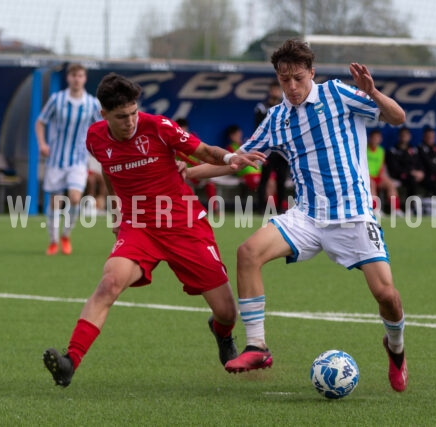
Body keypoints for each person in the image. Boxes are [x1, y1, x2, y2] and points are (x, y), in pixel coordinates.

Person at [187, 39, 409, 392]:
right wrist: (182, 174)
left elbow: (398, 118)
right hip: (306, 216)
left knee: (387, 296)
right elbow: (235, 160)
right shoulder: (277, 118)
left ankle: (396, 350)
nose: (291, 86)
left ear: (312, 74)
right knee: (248, 252)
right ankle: (257, 346)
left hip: (353, 215)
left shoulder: (339, 94)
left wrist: (374, 94)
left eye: (298, 78)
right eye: (284, 79)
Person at [42, 72, 266, 388]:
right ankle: (70, 362)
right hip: (139, 228)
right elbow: (110, 170)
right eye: (122, 117)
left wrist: (232, 157)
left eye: (134, 112)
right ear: (104, 115)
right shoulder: (95, 138)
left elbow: (204, 152)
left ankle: (221, 331)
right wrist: (117, 208)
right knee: (109, 284)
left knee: (227, 312)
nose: (131, 121)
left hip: (184, 224)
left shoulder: (158, 127)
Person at [36, 63, 102, 256]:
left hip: (78, 159)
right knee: (55, 200)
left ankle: (66, 234)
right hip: (56, 158)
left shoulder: (92, 103)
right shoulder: (57, 100)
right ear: (68, 78)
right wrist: (42, 144)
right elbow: (40, 122)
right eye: (73, 75)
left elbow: (100, 128)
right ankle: (53, 241)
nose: (76, 79)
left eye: (80, 76)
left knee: (74, 198)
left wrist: (97, 148)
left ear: (84, 78)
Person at [254, 80, 288, 213]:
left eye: (277, 90)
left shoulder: (285, 106)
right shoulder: (261, 108)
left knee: (281, 180)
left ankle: (280, 209)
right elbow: (258, 129)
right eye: (273, 89)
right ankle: (261, 208)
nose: (275, 92)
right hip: (267, 150)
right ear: (269, 91)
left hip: (282, 150)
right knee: (265, 179)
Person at [367, 129, 403, 216]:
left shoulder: (381, 151)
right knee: (372, 184)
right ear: (369, 138)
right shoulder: (364, 149)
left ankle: (396, 210)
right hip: (367, 177)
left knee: (390, 184)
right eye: (374, 138)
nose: (375, 140)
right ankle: (375, 209)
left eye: (377, 138)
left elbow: (382, 166)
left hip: (378, 177)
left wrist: (383, 176)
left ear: (380, 139)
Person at [386, 127, 425, 202]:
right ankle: (411, 206)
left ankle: (435, 203)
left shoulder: (414, 150)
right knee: (411, 180)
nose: (404, 137)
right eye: (402, 135)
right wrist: (411, 172)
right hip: (400, 175)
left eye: (406, 135)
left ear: (410, 137)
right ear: (399, 136)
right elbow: (394, 168)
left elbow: (420, 163)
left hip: (415, 175)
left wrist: (421, 172)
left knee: (431, 179)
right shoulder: (393, 151)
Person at [225, 124, 261, 192]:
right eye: (234, 134)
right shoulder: (230, 148)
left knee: (272, 180)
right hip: (246, 174)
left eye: (237, 133)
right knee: (264, 187)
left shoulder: (246, 144)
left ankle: (278, 202)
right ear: (230, 136)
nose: (237, 136)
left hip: (258, 171)